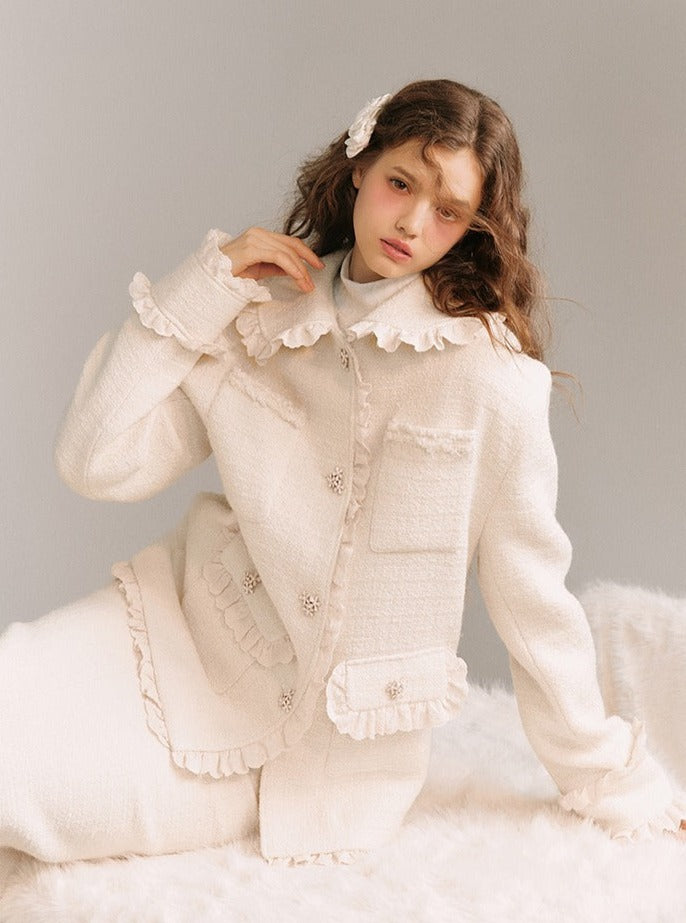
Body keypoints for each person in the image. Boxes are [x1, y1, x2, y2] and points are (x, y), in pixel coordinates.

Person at [1, 79, 685, 882]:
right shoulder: (260, 315)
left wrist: (610, 780)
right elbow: (94, 457)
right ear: (359, 167)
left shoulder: (490, 383)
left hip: (293, 749)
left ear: (473, 228)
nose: (412, 222)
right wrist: (204, 283)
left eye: (448, 211)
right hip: (166, 633)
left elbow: (535, 606)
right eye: (400, 182)